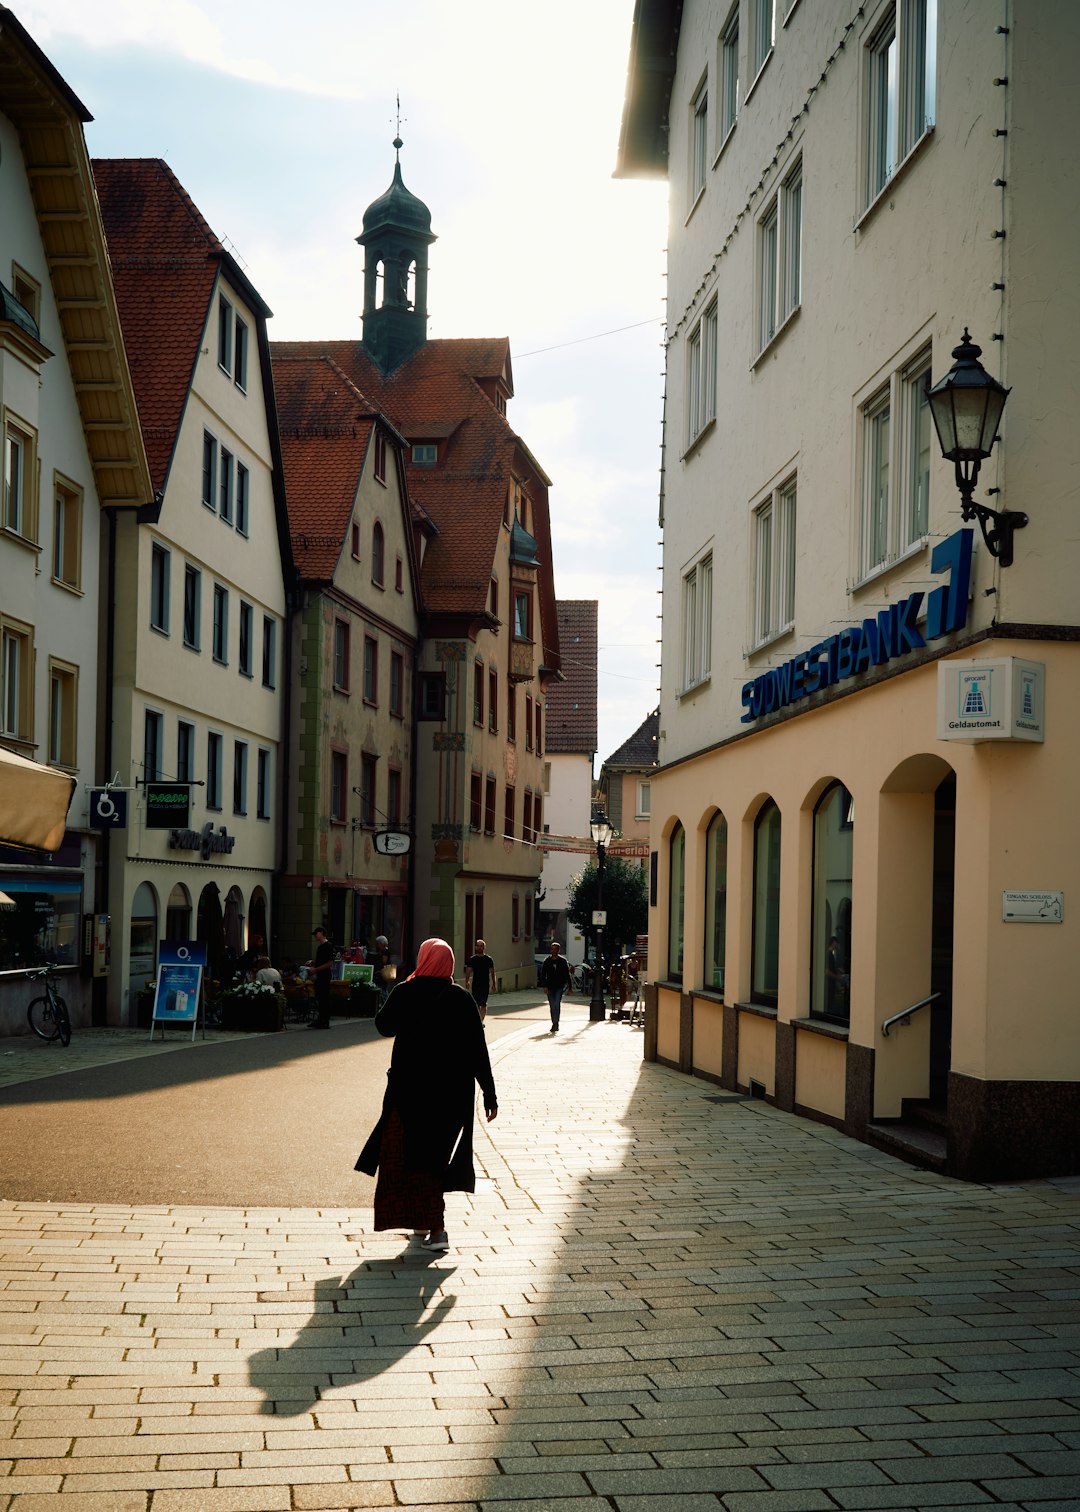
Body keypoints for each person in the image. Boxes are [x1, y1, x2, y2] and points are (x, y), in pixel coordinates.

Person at [355, 938, 497, 1252]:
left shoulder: (406, 991)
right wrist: (490, 1093)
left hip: (410, 1092)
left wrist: (395, 992)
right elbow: (478, 1048)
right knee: (433, 1158)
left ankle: (438, 1228)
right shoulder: (460, 997)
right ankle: (422, 1222)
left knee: (410, 1158)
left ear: (423, 960)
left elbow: (383, 1026)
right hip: (452, 1096)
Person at [539, 940, 571, 1033]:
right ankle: (554, 1022)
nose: (553, 951)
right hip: (549, 987)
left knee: (557, 1004)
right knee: (552, 1006)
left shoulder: (563, 961)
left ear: (558, 950)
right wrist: (544, 986)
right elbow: (543, 974)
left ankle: (556, 1023)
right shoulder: (547, 961)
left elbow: (567, 974)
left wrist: (570, 987)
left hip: (559, 987)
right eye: (552, 949)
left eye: (555, 949)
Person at [306, 926, 335, 1029]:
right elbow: (322, 961)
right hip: (320, 975)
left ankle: (324, 1020)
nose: (315, 936)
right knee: (320, 996)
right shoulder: (320, 947)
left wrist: (315, 969)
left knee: (324, 997)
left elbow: (329, 963)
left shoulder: (328, 946)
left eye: (316, 933)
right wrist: (313, 963)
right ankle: (320, 1019)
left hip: (325, 975)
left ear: (322, 933)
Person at [463, 938, 496, 1021]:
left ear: (484, 947)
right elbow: (468, 971)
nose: (479, 948)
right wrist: (467, 981)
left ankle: (481, 1021)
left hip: (485, 984)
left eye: (481, 946)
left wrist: (494, 984)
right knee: (476, 1004)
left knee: (483, 1004)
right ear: (475, 947)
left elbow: (492, 972)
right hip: (476, 984)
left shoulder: (488, 959)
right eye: (478, 946)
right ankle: (477, 1020)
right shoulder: (472, 959)